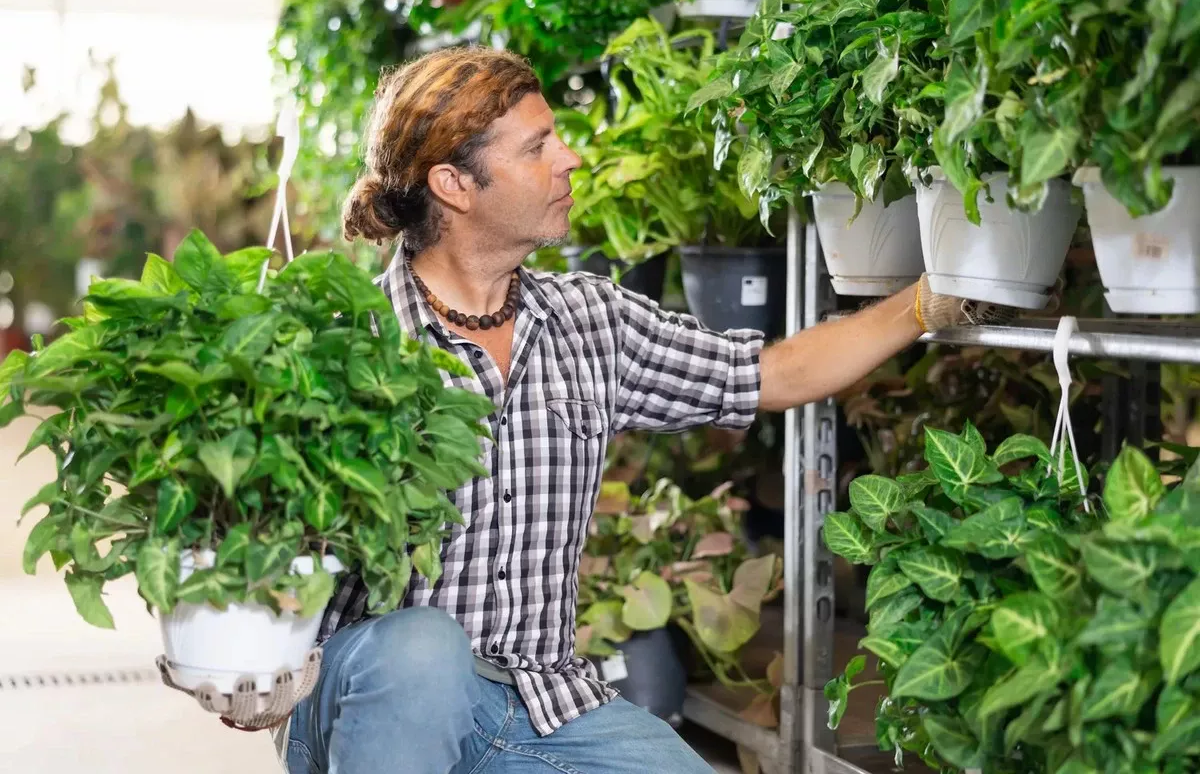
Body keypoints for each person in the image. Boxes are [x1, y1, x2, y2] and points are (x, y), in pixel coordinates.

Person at [262, 46, 974, 773]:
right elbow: (248, 534)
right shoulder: (352, 341)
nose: (568, 160)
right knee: (422, 646)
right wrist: (247, 662)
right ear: (453, 184)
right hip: (380, 708)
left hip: (540, 706)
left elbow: (773, 373)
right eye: (538, 146)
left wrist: (918, 305)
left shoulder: (589, 321)